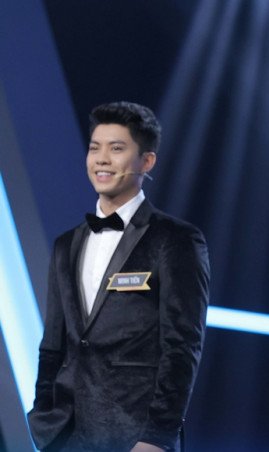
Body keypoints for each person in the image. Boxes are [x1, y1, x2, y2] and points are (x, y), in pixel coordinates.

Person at [27, 102, 210, 451]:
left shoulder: (175, 240)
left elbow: (182, 346)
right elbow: (52, 345)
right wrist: (43, 421)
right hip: (66, 436)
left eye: (116, 148)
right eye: (95, 148)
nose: (101, 159)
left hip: (136, 437)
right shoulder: (66, 245)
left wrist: (158, 436)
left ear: (147, 161)